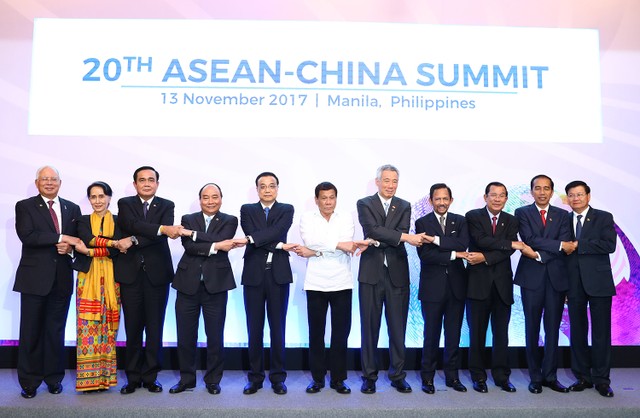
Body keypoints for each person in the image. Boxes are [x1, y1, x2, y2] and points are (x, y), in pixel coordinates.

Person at [356, 164, 427, 394]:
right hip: (371, 274)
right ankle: (369, 376)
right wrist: (402, 237)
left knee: (398, 328)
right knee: (369, 328)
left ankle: (397, 375)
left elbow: (390, 231)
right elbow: (372, 229)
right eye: (386, 180)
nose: (390, 185)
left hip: (397, 273)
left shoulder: (404, 205)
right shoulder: (364, 203)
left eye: (394, 181)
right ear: (377, 181)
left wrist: (381, 237)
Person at [294, 182, 370, 395]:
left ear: (336, 198)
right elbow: (311, 240)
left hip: (341, 282)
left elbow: (346, 243)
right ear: (316, 200)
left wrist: (315, 250)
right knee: (316, 334)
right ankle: (317, 379)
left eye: (332, 197)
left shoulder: (345, 217)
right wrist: (335, 245)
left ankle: (338, 379)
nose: (328, 202)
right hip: (315, 283)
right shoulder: (307, 217)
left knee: (340, 334)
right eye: (324, 198)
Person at [169, 183, 244, 395]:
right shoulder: (188, 218)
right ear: (200, 199)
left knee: (215, 335)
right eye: (206, 197)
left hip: (216, 285)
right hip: (187, 284)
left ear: (221, 198)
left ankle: (213, 380)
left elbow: (222, 239)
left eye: (215, 197)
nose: (210, 201)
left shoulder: (230, 220)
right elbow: (189, 247)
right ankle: (186, 380)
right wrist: (216, 246)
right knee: (185, 335)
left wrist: (193, 234)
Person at [13, 166, 82, 399]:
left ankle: (54, 379)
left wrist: (69, 249)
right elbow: (27, 236)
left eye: (53, 179)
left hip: (62, 279)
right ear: (37, 183)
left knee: (55, 331)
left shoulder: (72, 208)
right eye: (45, 179)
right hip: (34, 280)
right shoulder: (25, 206)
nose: (49, 183)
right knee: (31, 331)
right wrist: (61, 238)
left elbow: (77, 240)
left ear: (60, 183)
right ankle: (29, 382)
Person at [116, 166, 184, 394]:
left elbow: (158, 237)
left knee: (155, 328)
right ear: (135, 184)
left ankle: (151, 377)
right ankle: (133, 378)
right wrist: (161, 228)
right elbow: (130, 225)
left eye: (151, 180)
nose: (146, 183)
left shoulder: (167, 205)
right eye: (142, 180)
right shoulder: (125, 204)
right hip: (130, 274)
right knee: (133, 328)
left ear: (157, 183)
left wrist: (135, 239)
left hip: (157, 274)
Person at [236, 172, 296, 395]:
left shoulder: (286, 209)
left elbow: (277, 231)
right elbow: (255, 234)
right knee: (254, 328)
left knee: (278, 328)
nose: (268, 190)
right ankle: (255, 378)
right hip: (253, 275)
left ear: (277, 188)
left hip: (278, 275)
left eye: (272, 186)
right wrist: (278, 245)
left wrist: (254, 240)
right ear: (257, 189)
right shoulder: (247, 209)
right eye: (263, 186)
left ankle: (278, 378)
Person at [514, 175, 573, 394]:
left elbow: (566, 244)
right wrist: (557, 246)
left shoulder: (563, 215)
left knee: (552, 330)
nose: (542, 192)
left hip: (556, 279)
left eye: (546, 188)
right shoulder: (522, 213)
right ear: (531, 191)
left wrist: (539, 254)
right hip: (531, 279)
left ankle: (550, 376)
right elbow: (530, 239)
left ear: (552, 191)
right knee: (531, 328)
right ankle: (535, 377)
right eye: (537, 188)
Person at [72, 181, 131, 392]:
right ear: (89, 199)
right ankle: (88, 380)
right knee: (87, 327)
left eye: (101, 196)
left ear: (109, 198)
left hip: (113, 279)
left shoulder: (119, 220)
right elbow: (88, 238)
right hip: (87, 280)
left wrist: (89, 252)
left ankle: (105, 379)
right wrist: (114, 243)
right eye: (93, 197)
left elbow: (116, 250)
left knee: (109, 329)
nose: (97, 201)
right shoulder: (82, 220)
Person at [465, 182, 521, 393]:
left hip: (502, 286)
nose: (497, 199)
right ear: (485, 197)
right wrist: (509, 243)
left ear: (506, 198)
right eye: (493, 195)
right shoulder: (473, 216)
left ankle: (501, 376)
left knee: (501, 334)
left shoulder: (512, 220)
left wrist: (485, 257)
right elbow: (481, 240)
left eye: (501, 195)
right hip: (477, 285)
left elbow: (508, 251)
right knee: (476, 334)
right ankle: (478, 376)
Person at [414, 183, 469, 394]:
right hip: (432, 288)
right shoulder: (422, 222)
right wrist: (454, 254)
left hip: (457, 287)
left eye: (445, 198)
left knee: (454, 335)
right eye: (437, 199)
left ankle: (452, 377)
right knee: (431, 335)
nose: (441, 202)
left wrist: (437, 241)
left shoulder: (461, 221)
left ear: (451, 200)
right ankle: (427, 378)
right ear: (431, 201)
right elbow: (426, 255)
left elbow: (462, 244)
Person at [564, 180, 616, 397]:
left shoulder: (603, 217)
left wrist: (579, 245)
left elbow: (609, 245)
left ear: (588, 196)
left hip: (599, 282)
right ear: (567, 198)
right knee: (577, 331)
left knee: (601, 332)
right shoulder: (563, 219)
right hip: (573, 283)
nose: (575, 198)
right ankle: (583, 377)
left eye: (579, 194)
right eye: (571, 195)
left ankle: (602, 380)